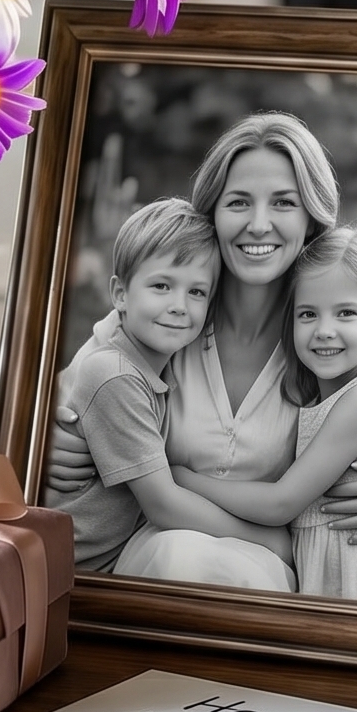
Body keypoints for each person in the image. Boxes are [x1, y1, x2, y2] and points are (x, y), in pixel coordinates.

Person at [47, 110, 357, 590]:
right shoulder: (168, 318)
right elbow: (65, 398)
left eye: (284, 203)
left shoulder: (324, 337)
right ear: (213, 214)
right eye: (239, 202)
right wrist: (42, 438)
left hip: (271, 571)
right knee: (178, 556)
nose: (259, 224)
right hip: (154, 558)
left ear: (312, 219)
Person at [172, 225, 357, 603]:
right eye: (308, 314)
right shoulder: (321, 394)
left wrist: (182, 479)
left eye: (345, 313)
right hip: (329, 576)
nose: (324, 331)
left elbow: (281, 503)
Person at [44, 199, 288, 575]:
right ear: (120, 295)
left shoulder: (156, 367)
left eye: (197, 292)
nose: (179, 306)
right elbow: (163, 504)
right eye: (161, 286)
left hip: (105, 561)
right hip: (71, 574)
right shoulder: (116, 375)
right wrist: (268, 541)